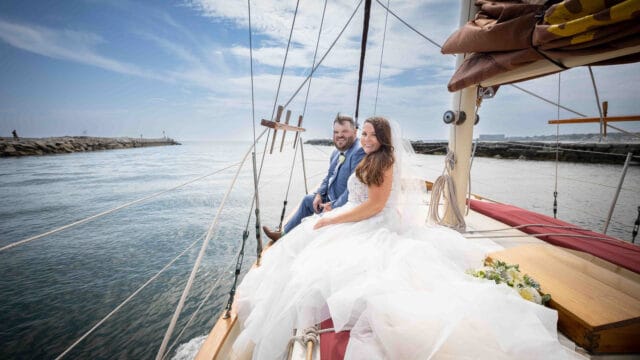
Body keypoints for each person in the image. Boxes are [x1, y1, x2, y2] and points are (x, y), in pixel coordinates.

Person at [233, 117, 577, 359]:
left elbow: (373, 206)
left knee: (321, 254)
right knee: (307, 249)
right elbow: (363, 200)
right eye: (363, 134)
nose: (365, 139)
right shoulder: (371, 158)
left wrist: (331, 220)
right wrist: (332, 215)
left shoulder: (383, 162)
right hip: (357, 216)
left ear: (382, 137)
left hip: (367, 223)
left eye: (369, 134)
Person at [262, 114, 366, 241]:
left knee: (311, 230)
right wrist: (319, 194)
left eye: (344, 131)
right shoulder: (336, 152)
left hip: (343, 206)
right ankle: (283, 234)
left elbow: (352, 189)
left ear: (355, 132)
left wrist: (333, 206)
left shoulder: (359, 152)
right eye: (336, 132)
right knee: (308, 200)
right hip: (329, 198)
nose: (339, 135)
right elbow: (329, 176)